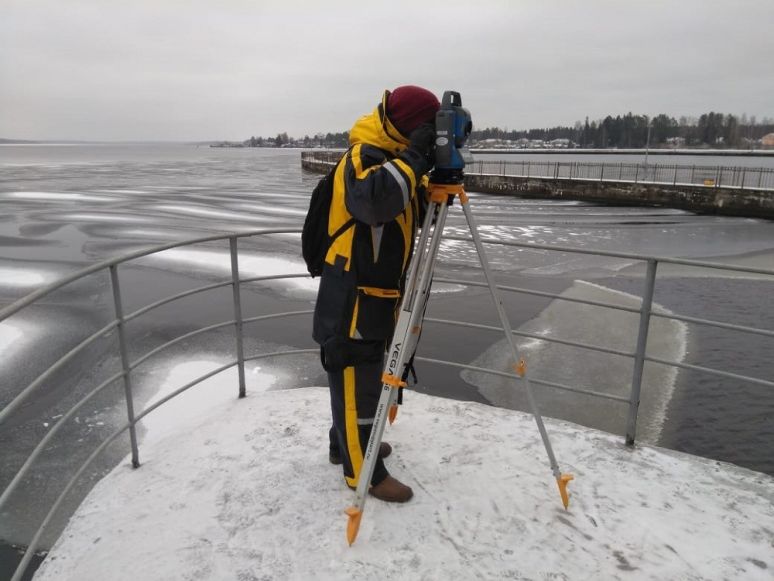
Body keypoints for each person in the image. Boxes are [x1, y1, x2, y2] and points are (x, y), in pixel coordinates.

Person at [312, 85, 439, 503]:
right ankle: (363, 472)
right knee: (358, 385)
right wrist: (416, 157)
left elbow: (404, 211)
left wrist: (428, 178)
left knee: (355, 383)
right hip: (351, 299)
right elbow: (374, 204)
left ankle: (344, 445)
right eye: (427, 125)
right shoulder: (363, 158)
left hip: (372, 295)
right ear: (408, 125)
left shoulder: (389, 160)